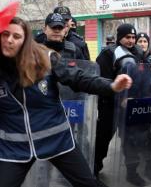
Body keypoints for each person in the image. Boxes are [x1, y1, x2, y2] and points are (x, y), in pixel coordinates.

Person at [0, 16, 132, 187]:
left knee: (88, 183)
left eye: (16, 36)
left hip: (57, 139)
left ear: (25, 41)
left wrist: (111, 85)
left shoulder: (45, 57)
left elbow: (78, 77)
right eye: (5, 34)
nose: (9, 40)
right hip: (14, 148)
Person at [94, 23, 145, 186]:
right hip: (110, 105)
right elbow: (102, 81)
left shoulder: (138, 52)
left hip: (131, 105)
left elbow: (141, 77)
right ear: (119, 38)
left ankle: (132, 172)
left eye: (133, 37)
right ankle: (94, 169)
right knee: (103, 138)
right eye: (127, 37)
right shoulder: (108, 54)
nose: (131, 41)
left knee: (132, 140)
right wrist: (119, 97)